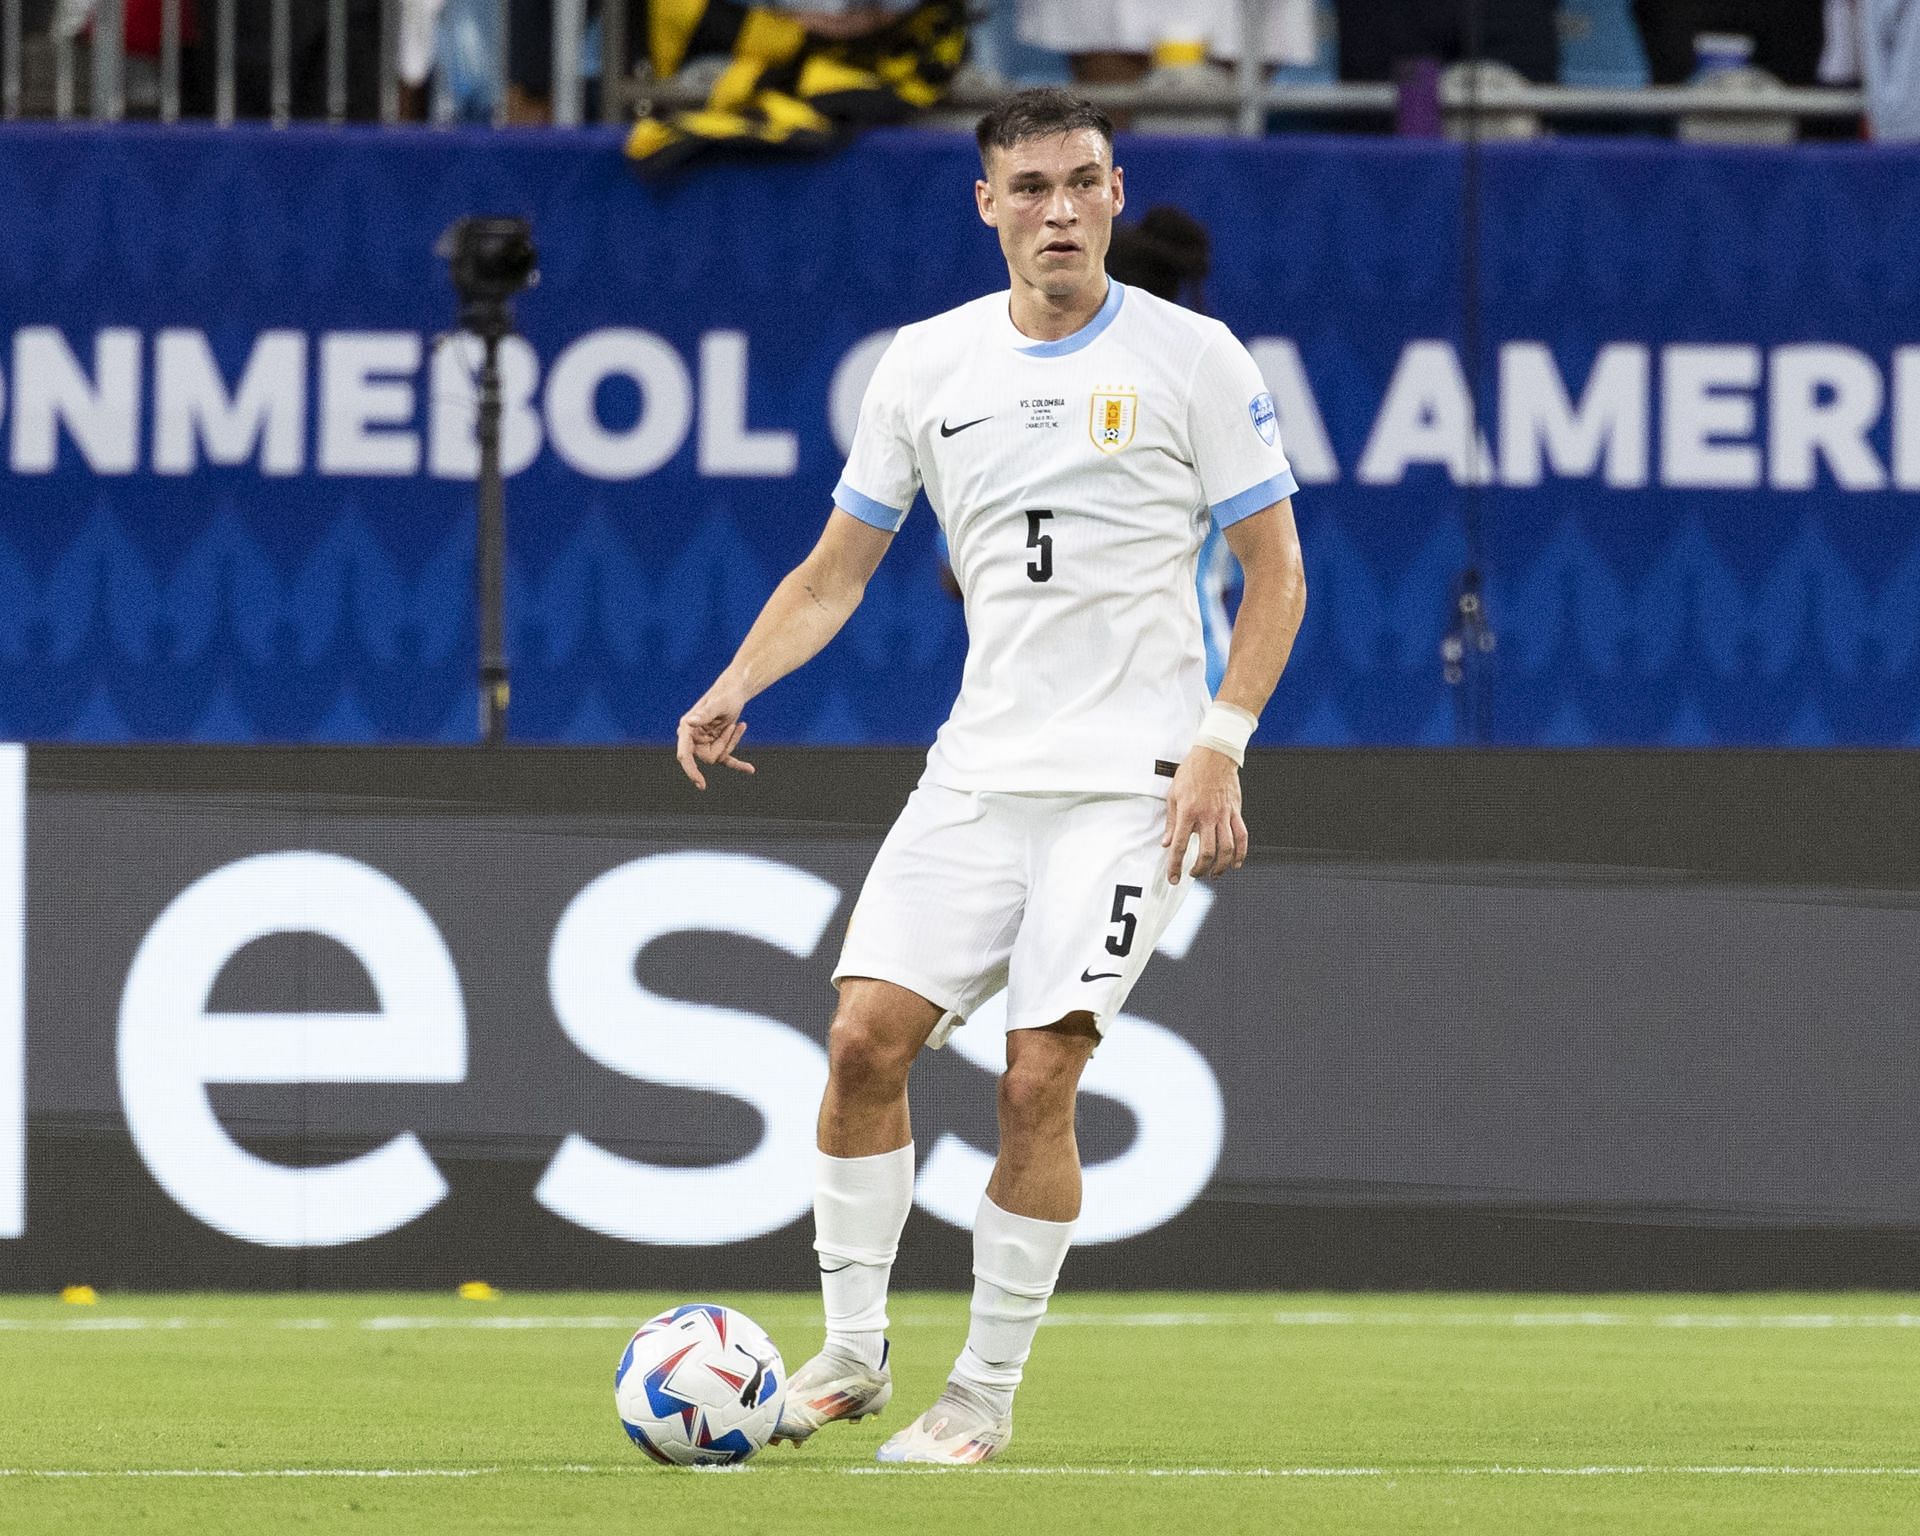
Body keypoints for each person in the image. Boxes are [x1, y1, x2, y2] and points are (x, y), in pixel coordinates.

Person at [675, 85, 1306, 1466]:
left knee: (1035, 1078)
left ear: (1118, 193)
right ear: (988, 205)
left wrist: (1221, 746)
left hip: (1130, 784)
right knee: (859, 1042)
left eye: (1082, 182)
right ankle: (848, 1356)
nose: (1060, 210)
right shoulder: (927, 366)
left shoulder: (1195, 359)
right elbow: (840, 569)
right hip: (976, 775)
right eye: (1030, 188)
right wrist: (735, 683)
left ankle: (982, 1396)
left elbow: (1278, 575)